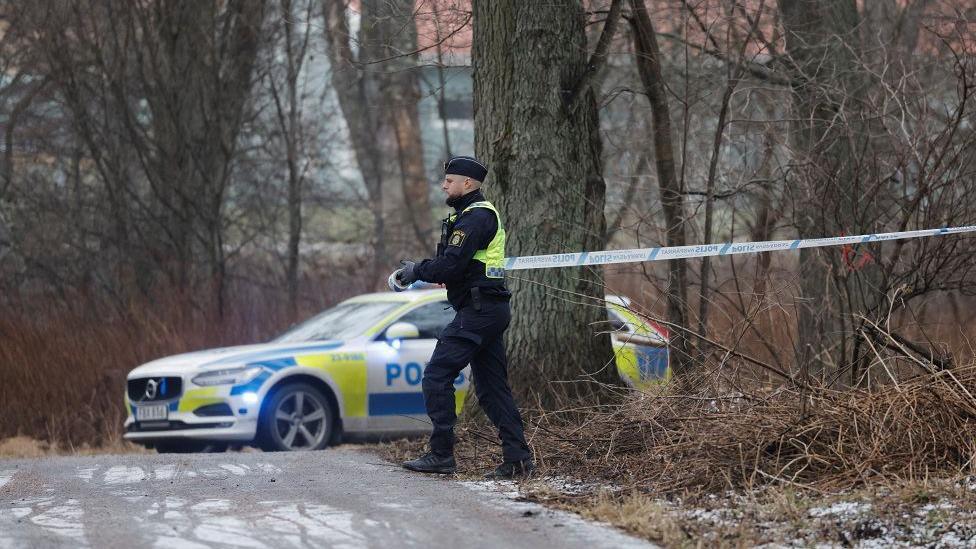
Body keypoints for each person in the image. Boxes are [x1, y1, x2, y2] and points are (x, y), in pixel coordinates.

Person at [391, 155, 534, 479]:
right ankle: (518, 460)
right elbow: (459, 267)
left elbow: (452, 265)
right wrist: (430, 270)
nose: (444, 185)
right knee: (492, 390)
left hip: (480, 310)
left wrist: (416, 271)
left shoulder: (476, 217)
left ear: (467, 184)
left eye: (450, 181)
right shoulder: (471, 215)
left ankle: (441, 454)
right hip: (485, 308)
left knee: (436, 375)